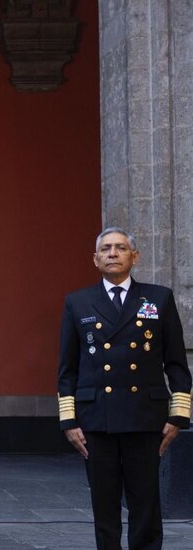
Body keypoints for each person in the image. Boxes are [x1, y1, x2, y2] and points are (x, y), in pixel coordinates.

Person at [58, 227, 190, 550]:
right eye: (106, 249)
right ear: (95, 259)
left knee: (145, 504)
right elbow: (67, 368)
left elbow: (176, 363)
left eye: (120, 248)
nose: (113, 253)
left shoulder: (159, 298)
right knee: (104, 507)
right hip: (95, 421)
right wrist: (68, 421)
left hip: (145, 419)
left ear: (135, 256)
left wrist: (178, 416)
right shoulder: (78, 302)